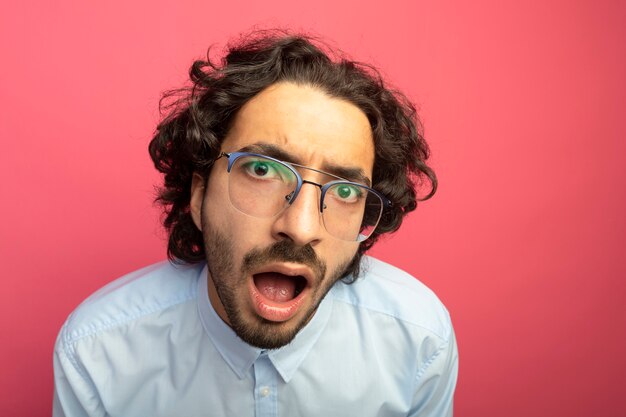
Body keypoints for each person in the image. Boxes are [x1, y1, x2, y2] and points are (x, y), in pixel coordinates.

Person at [53, 31, 458, 417]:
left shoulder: (420, 341)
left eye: (346, 192)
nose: (300, 228)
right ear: (199, 194)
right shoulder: (95, 353)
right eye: (262, 170)